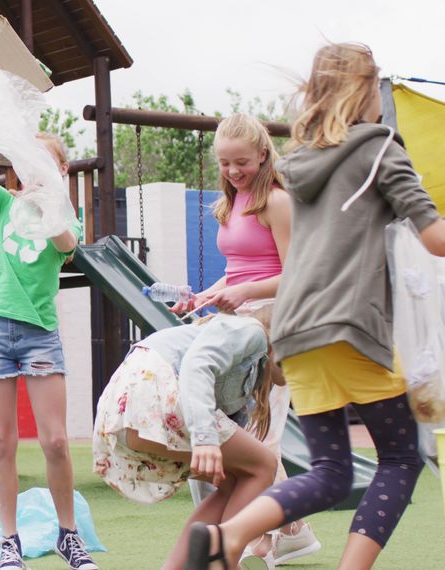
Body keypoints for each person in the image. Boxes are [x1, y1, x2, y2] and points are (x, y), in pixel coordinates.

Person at [184, 43, 445, 570]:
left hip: (296, 333)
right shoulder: (379, 149)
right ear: (365, 89)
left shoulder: (301, 166)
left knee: (329, 473)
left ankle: (226, 535)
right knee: (400, 457)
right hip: (351, 327)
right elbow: (434, 238)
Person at [174, 112, 320, 567]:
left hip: (271, 326)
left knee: (261, 437)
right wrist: (206, 295)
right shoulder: (231, 203)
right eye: (225, 163)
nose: (234, 171)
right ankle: (288, 531)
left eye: (243, 162)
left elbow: (298, 274)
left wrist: (244, 293)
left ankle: (273, 532)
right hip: (233, 321)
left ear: (263, 154)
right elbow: (238, 272)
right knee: (224, 430)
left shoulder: (277, 202)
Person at [0, 133, 96, 570]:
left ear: (61, 171)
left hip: (39, 333)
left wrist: (47, 201)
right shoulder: (3, 204)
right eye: (26, 160)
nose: (33, 167)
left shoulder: (67, 219)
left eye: (44, 160)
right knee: (2, 441)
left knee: (55, 440)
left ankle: (69, 536)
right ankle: (9, 542)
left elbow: (66, 245)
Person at [93, 304, 281, 570]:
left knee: (235, 478)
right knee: (264, 464)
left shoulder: (249, 376)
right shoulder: (252, 330)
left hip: (131, 408)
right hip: (156, 388)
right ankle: (224, 560)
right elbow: (198, 364)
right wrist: (204, 440)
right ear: (282, 336)